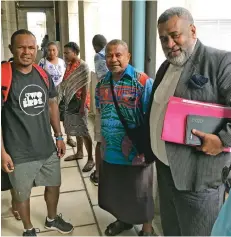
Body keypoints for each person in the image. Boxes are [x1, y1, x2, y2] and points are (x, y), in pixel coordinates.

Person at [146, 7, 231, 236]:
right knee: (171, 230)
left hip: (198, 181)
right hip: (165, 172)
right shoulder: (166, 66)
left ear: (192, 31)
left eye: (175, 35)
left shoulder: (220, 62)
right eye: (164, 38)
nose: (169, 43)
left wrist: (222, 140)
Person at [1, 29, 73, 236]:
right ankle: (28, 229)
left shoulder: (43, 75)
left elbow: (52, 105)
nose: (26, 52)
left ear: (37, 50)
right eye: (21, 47)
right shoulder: (4, 76)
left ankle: (51, 219)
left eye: (31, 47)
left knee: (54, 184)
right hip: (18, 151)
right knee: (22, 194)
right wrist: (2, 152)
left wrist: (59, 136)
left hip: (46, 146)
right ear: (11, 49)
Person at [96, 39, 155, 236]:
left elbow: (151, 118)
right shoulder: (102, 83)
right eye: (109, 55)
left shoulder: (142, 81)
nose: (113, 59)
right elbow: (100, 113)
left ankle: (147, 229)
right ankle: (124, 220)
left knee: (141, 191)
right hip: (110, 150)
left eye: (118, 55)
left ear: (128, 56)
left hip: (136, 150)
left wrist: (147, 150)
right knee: (118, 188)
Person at [58, 42, 95, 172]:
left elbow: (85, 88)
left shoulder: (83, 66)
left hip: (80, 102)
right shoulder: (69, 65)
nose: (65, 55)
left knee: (83, 130)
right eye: (64, 53)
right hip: (70, 101)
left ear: (75, 52)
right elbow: (66, 82)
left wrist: (82, 106)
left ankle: (91, 159)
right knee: (76, 127)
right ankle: (79, 153)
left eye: (67, 53)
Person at [90, 34, 108, 185]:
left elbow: (103, 78)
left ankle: (98, 173)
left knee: (100, 139)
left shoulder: (98, 56)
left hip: (104, 103)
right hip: (110, 103)